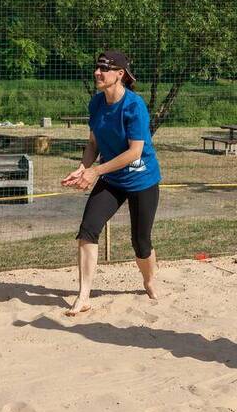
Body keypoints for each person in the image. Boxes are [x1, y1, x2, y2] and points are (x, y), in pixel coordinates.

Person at [61, 49, 162, 316]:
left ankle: (150, 280)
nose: (98, 72)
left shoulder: (134, 105)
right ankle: (83, 297)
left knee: (141, 242)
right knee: (87, 231)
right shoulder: (95, 103)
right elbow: (93, 143)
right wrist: (83, 167)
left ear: (120, 74)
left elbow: (134, 153)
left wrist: (96, 172)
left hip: (142, 178)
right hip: (112, 177)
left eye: (104, 69)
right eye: (97, 67)